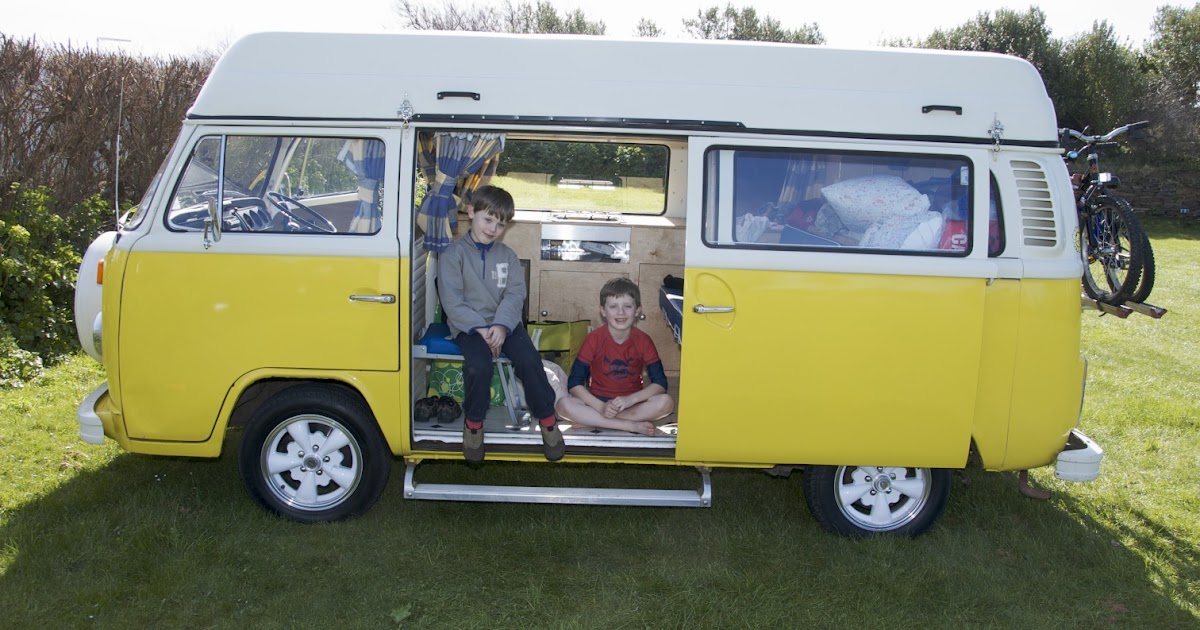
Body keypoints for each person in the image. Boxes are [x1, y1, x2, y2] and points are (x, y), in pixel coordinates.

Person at [438, 186, 565, 464]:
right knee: (479, 364)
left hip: (505, 324)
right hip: (468, 326)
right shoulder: (452, 255)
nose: (493, 228)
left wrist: (501, 326)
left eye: (500, 224)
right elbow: (451, 300)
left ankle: (547, 420)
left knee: (530, 360)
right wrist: (480, 328)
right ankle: (473, 425)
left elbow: (515, 294)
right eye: (488, 220)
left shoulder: (507, 255)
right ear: (471, 212)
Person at [555, 278, 674, 435]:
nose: (621, 313)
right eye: (613, 306)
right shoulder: (594, 339)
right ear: (603, 311)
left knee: (666, 403)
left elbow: (660, 384)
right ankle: (627, 425)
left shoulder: (644, 340)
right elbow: (574, 383)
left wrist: (630, 400)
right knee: (563, 405)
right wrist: (601, 407)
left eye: (627, 306)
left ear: (637, 310)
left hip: (630, 405)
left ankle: (594, 421)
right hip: (596, 404)